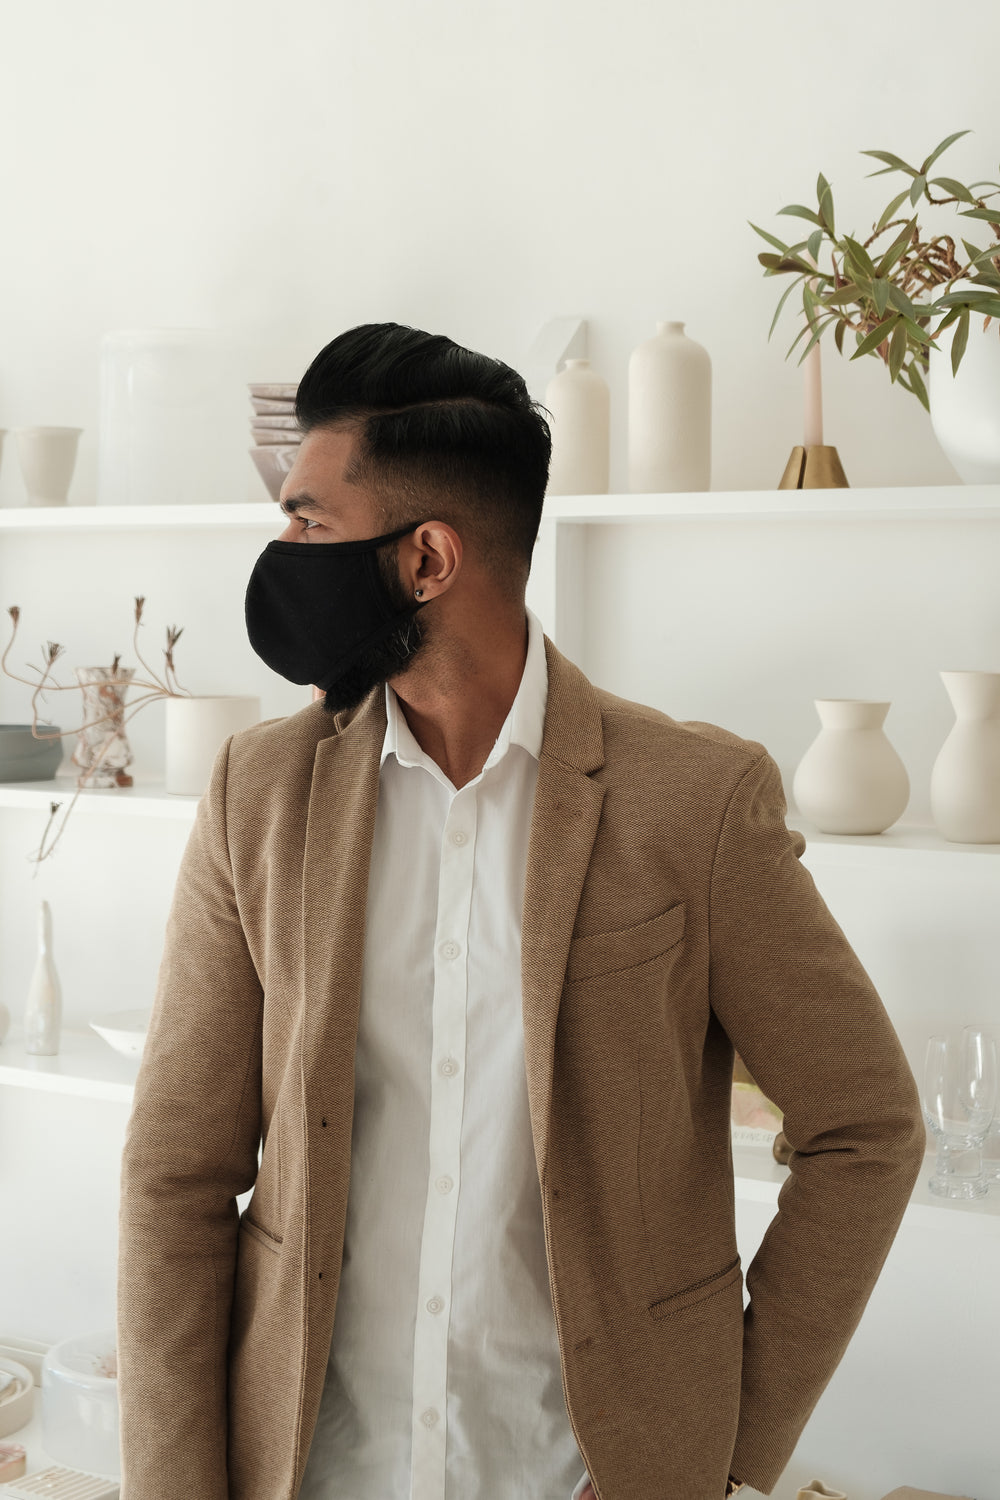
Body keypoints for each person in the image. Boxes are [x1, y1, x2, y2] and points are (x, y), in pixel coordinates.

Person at [117, 323, 924, 1500]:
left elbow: (867, 1127)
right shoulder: (260, 797)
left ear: (427, 558)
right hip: (312, 1468)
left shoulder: (691, 803)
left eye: (306, 521)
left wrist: (721, 1455)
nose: (282, 551)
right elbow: (173, 1179)